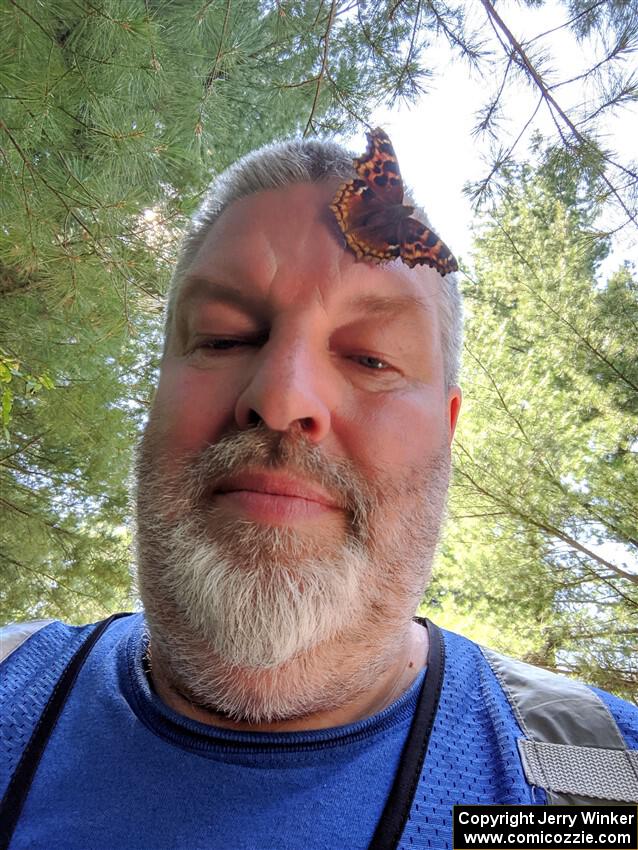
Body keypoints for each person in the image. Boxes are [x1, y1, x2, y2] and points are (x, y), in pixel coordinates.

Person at [1, 136, 636, 850]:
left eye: (370, 357)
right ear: (156, 394)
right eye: (221, 338)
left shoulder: (605, 780)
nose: (281, 396)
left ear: (446, 431)